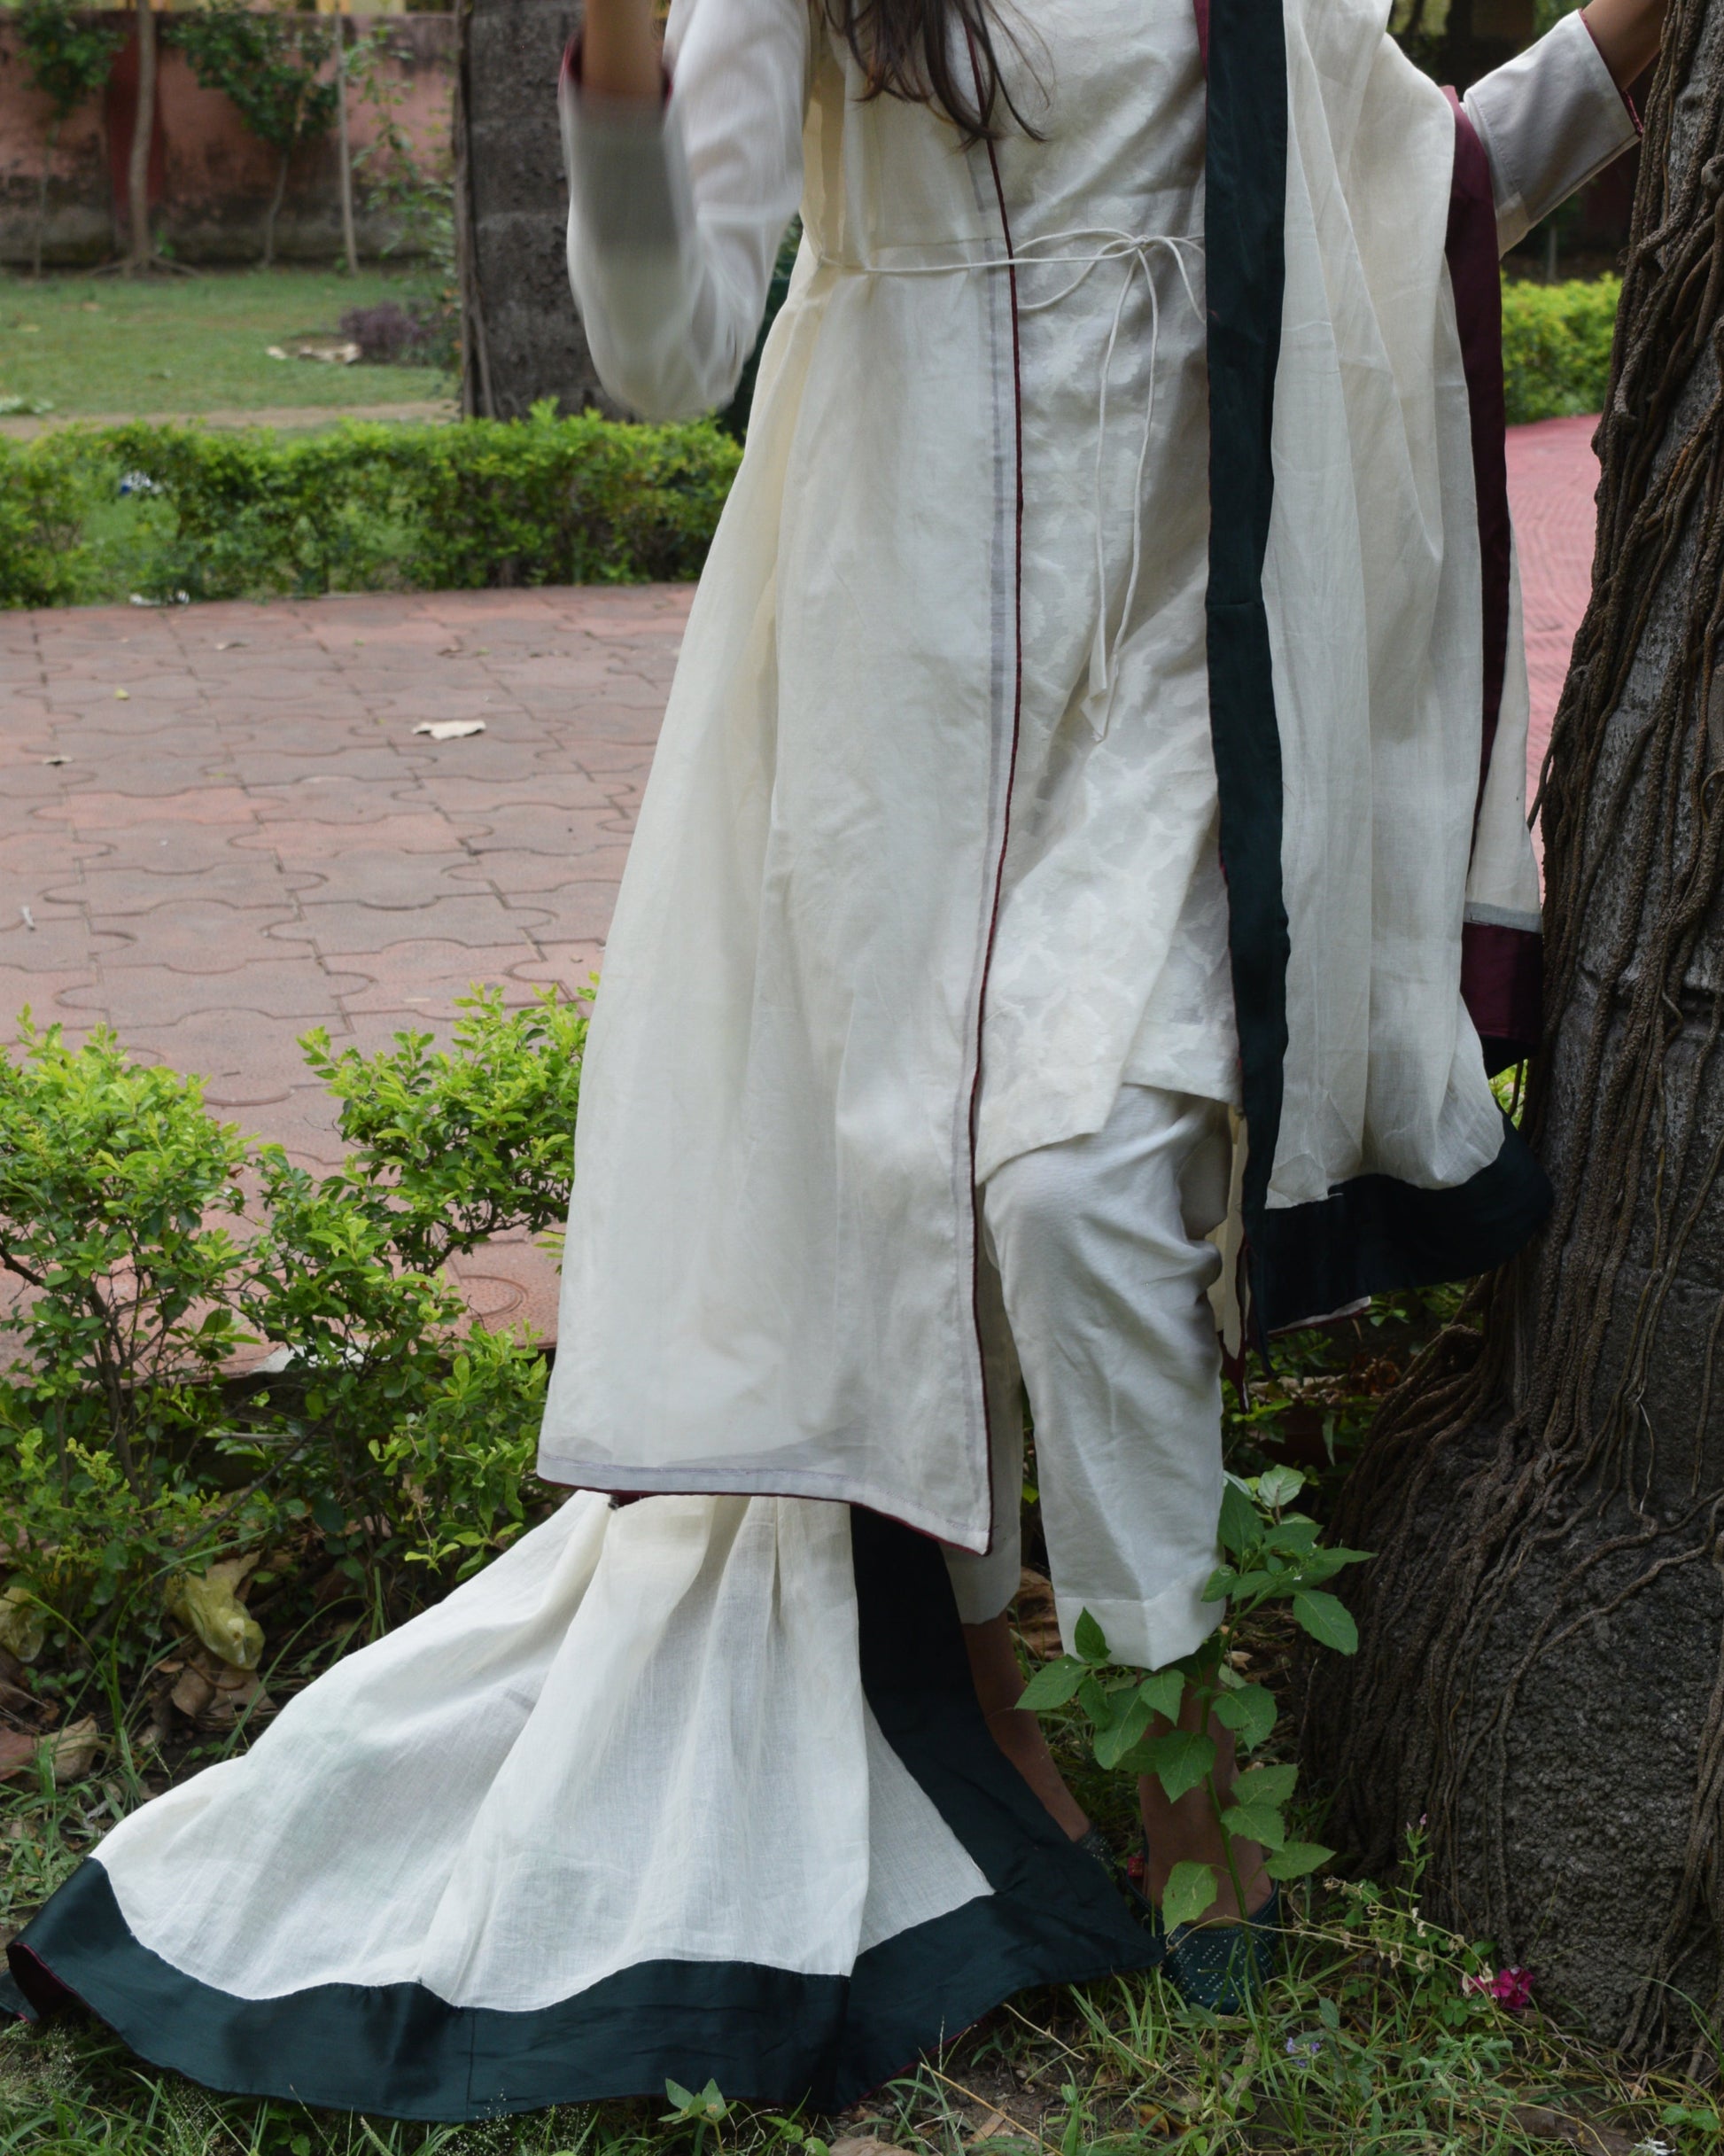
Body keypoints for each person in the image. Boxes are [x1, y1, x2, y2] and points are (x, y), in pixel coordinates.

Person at [5, 0, 1660, 2122]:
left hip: (1180, 667)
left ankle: (1184, 1760)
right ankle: (984, 1717)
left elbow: (1412, 173)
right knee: (907, 1208)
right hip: (900, 679)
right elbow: (662, 348)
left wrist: (1632, 36)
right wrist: (617, 62)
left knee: (1074, 1183)